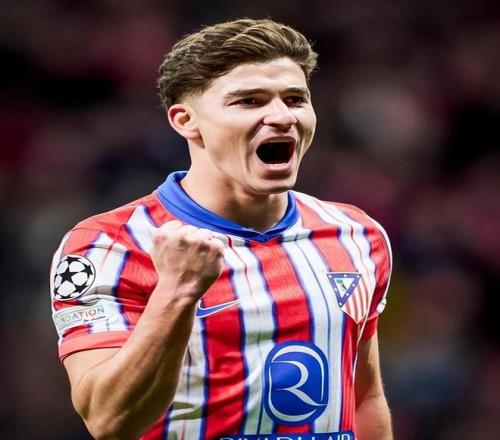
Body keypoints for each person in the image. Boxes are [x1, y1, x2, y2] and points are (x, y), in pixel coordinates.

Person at [50, 18, 393, 440]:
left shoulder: (357, 235)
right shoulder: (108, 245)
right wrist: (177, 291)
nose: (282, 116)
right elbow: (110, 421)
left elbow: (364, 397)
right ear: (185, 121)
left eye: (295, 99)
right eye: (249, 101)